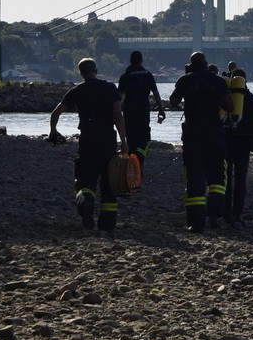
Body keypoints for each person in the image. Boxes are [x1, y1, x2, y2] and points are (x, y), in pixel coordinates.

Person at [48, 58, 130, 234]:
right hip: (107, 140)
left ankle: (85, 201)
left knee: (85, 181)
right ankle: (107, 225)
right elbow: (117, 115)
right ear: (97, 70)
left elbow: (56, 113)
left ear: (81, 73)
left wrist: (53, 131)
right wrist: (124, 141)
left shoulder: (77, 91)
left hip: (87, 141)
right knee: (109, 183)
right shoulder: (109, 88)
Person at [168, 52, 234, 233]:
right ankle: (215, 216)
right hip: (214, 134)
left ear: (191, 65)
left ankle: (196, 223)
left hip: (193, 136)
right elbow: (230, 107)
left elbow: (173, 102)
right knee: (217, 178)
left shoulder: (185, 80)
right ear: (206, 64)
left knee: (195, 176)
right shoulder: (218, 82)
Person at [222, 68, 253, 228]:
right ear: (246, 81)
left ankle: (225, 214)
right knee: (240, 180)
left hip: (226, 142)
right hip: (244, 143)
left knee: (225, 179)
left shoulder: (225, 98)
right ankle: (237, 214)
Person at [117, 50, 166, 167]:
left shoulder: (125, 77)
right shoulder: (148, 75)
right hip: (143, 111)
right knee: (144, 138)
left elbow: (118, 97)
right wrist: (161, 109)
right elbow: (155, 93)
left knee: (130, 136)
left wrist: (116, 112)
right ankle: (139, 157)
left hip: (128, 111)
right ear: (141, 61)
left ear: (130, 61)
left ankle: (131, 158)